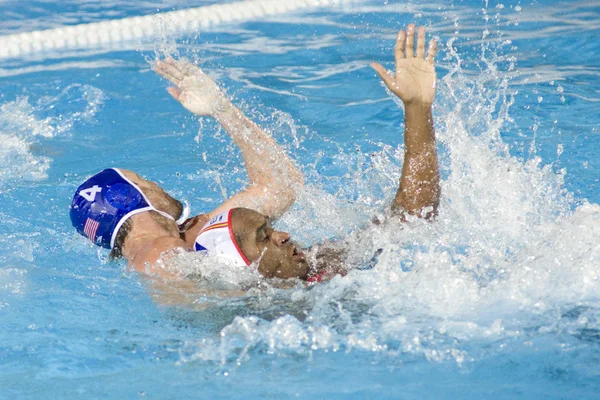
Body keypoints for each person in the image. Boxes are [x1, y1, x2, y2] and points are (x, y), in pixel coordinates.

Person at [70, 24, 439, 283]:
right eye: (145, 182)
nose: (283, 236)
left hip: (297, 282)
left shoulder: (192, 235)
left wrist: (222, 110)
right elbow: (182, 290)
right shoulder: (157, 252)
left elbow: (281, 185)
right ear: (136, 196)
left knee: (402, 224)